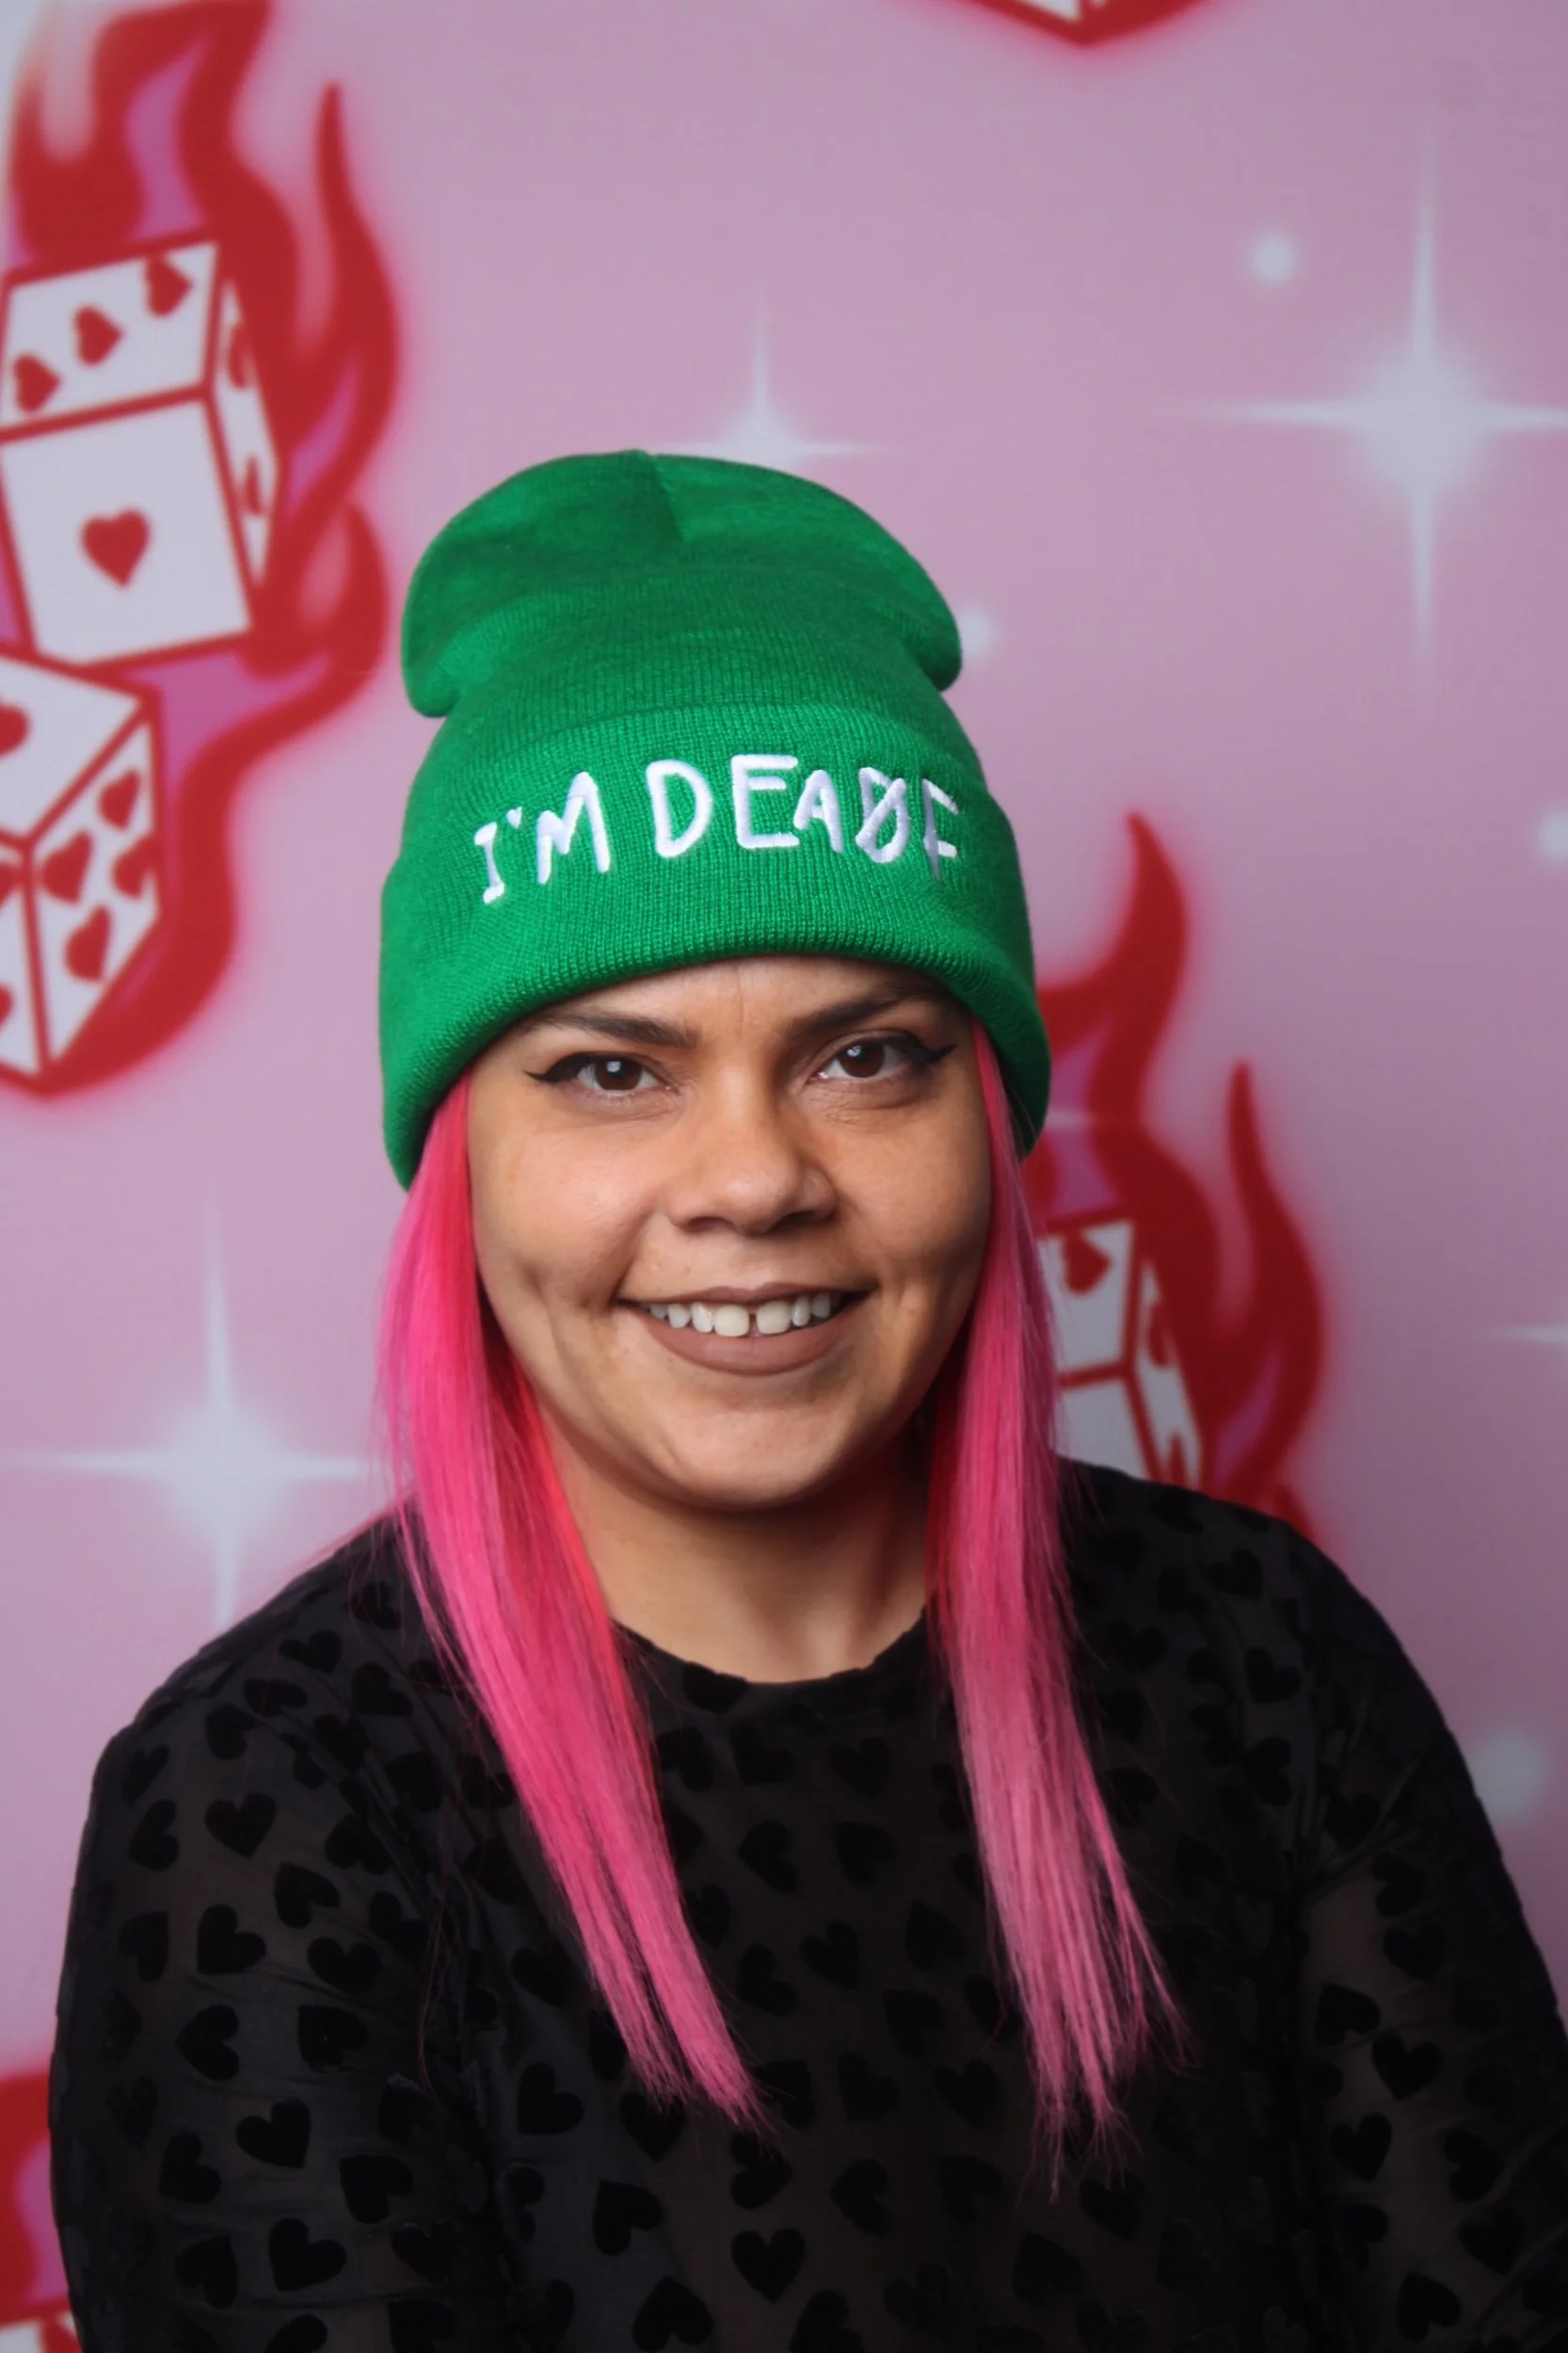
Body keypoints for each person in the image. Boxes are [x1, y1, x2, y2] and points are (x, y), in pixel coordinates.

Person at [52, 453, 1568, 2353]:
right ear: (463, 1157)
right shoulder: (258, 1811)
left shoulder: (1265, 1667)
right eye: (611, 1070)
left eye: (864, 1055)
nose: (754, 1177)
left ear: (982, 1114)